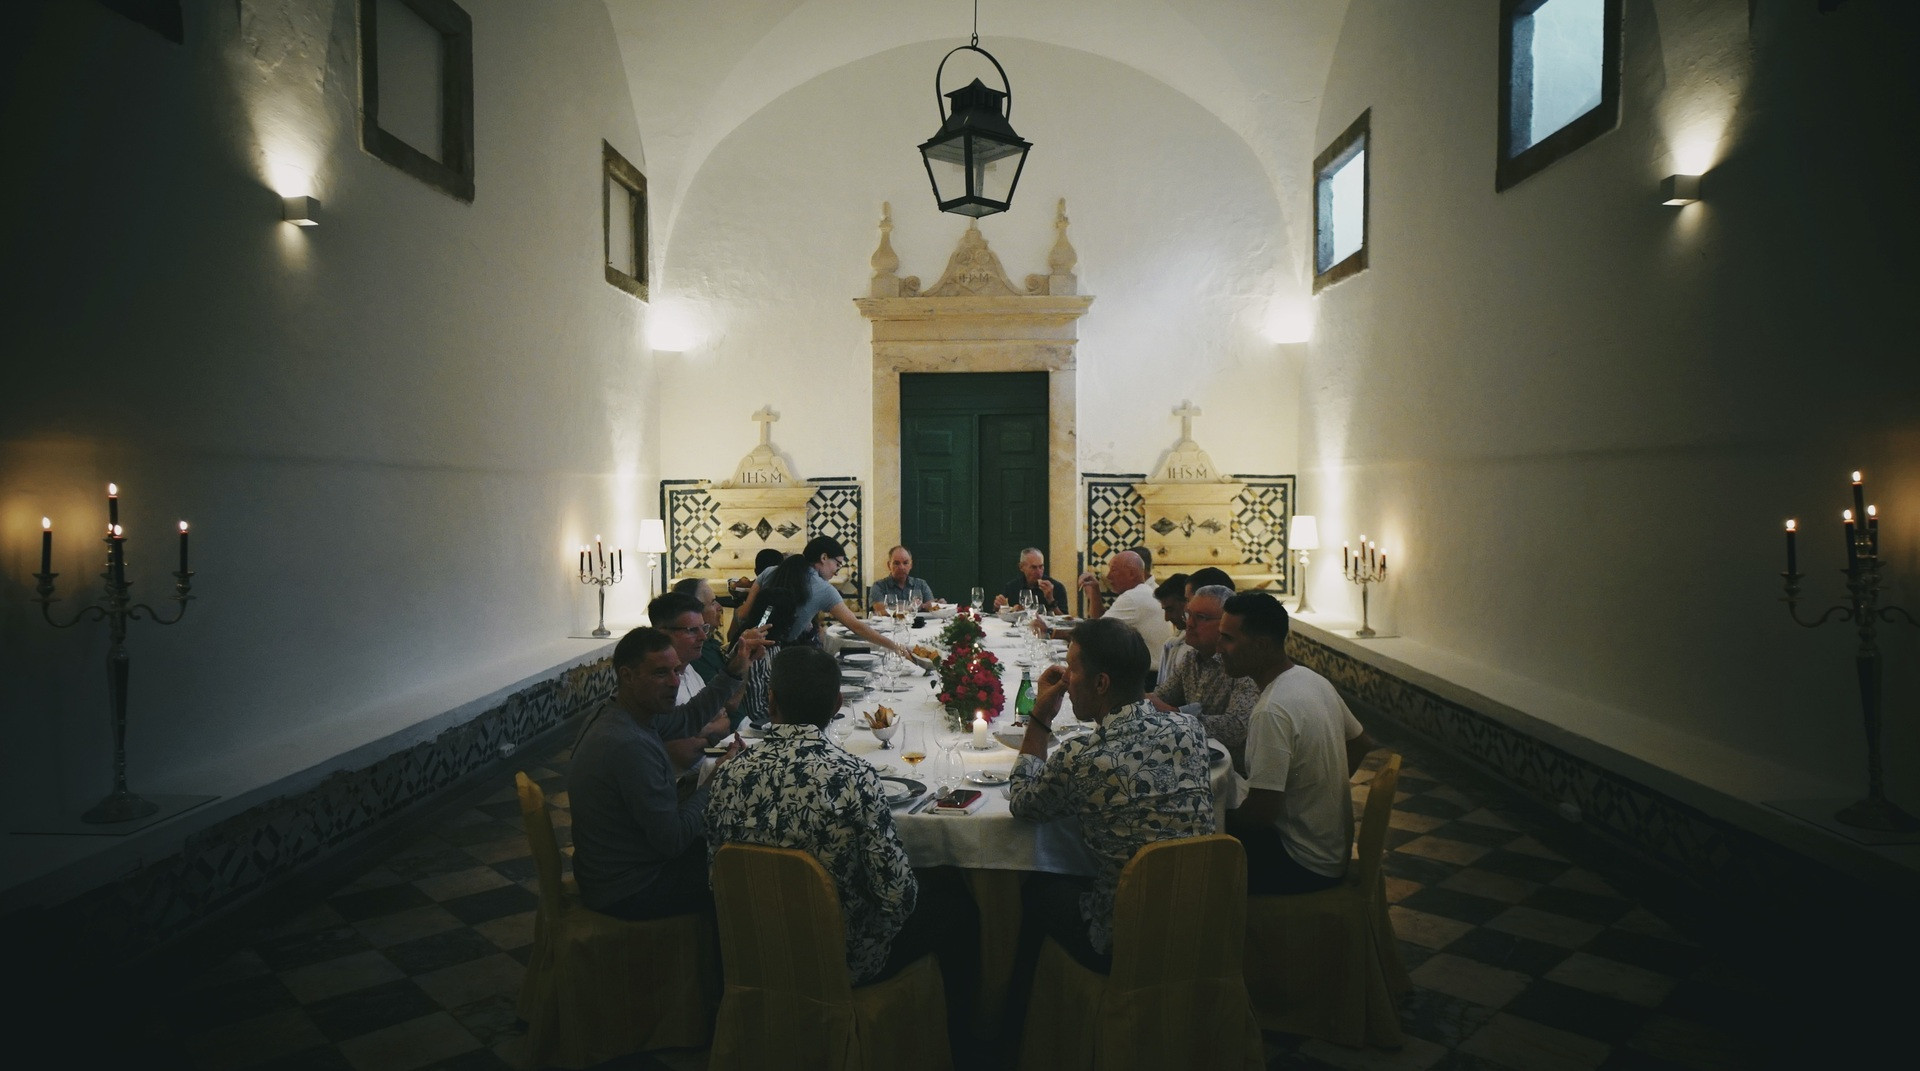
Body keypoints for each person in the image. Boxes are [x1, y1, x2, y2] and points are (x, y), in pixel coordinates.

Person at [705, 647, 978, 991]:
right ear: (837, 706)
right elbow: (897, 897)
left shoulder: (728, 774)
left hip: (753, 950)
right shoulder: (854, 778)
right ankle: (961, 1038)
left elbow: (717, 877)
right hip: (837, 961)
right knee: (958, 906)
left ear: (771, 702)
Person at [1008, 617, 1215, 972]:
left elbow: (1023, 805)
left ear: (1101, 683)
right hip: (1198, 919)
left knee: (1037, 889)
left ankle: (1028, 1017)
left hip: (1127, 936)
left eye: (1072, 670)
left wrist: (1040, 718)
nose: (1066, 682)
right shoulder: (1191, 730)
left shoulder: (1081, 758)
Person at [568, 627, 759, 919]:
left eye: (676, 671)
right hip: (629, 888)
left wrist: (731, 674)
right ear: (628, 675)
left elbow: (688, 718)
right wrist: (716, 779)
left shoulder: (623, 711)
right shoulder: (628, 744)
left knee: (729, 847)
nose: (674, 682)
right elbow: (674, 839)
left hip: (612, 868)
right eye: (660, 673)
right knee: (742, 873)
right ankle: (722, 963)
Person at [1217, 592, 1380, 895]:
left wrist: (1218, 820)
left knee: (1201, 857)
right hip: (1331, 849)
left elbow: (1261, 814)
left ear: (1261, 645)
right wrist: (1316, 795)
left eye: (1227, 639)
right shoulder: (1311, 679)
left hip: (1303, 864)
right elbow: (1361, 742)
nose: (1219, 649)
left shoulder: (1271, 710)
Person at [728, 536, 917, 662]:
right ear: (824, 557)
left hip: (744, 651)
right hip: (779, 660)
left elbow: (743, 614)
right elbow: (858, 627)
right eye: (837, 564)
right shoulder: (824, 589)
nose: (836, 571)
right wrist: (896, 647)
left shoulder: (770, 571)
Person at [1150, 584, 1260, 771]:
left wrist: (1176, 714)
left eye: (1201, 618)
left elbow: (1236, 728)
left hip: (1234, 774)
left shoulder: (1242, 664)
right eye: (1188, 615)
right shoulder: (1192, 658)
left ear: (1226, 623)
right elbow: (1161, 697)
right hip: (1196, 763)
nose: (1189, 624)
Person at [1074, 550, 1175, 672]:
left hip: (1148, 677)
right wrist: (1095, 592)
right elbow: (1101, 626)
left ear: (1131, 573)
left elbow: (1095, 633)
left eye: (1114, 570)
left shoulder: (1133, 597)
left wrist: (1055, 632)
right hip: (1154, 671)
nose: (1108, 576)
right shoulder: (1142, 591)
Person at [671, 576, 728, 682]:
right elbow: (720, 694)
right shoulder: (694, 652)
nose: (719, 607)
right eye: (712, 603)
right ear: (696, 609)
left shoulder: (710, 642)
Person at [994, 546, 1067, 615]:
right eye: (1034, 567)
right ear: (1021, 567)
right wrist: (998, 606)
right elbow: (1002, 613)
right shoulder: (1011, 587)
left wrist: (1051, 600)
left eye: (1041, 566)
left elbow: (1065, 622)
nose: (1039, 572)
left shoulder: (1057, 587)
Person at [867, 544, 935, 609]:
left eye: (905, 563)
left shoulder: (921, 584)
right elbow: (881, 610)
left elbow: (931, 606)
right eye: (896, 563)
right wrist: (913, 607)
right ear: (889, 565)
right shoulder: (879, 586)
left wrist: (939, 604)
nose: (901, 567)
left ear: (911, 565)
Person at [1153, 572, 1191, 683]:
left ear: (1187, 604)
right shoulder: (1176, 641)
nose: (1166, 618)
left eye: (1170, 609)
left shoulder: (1196, 647)